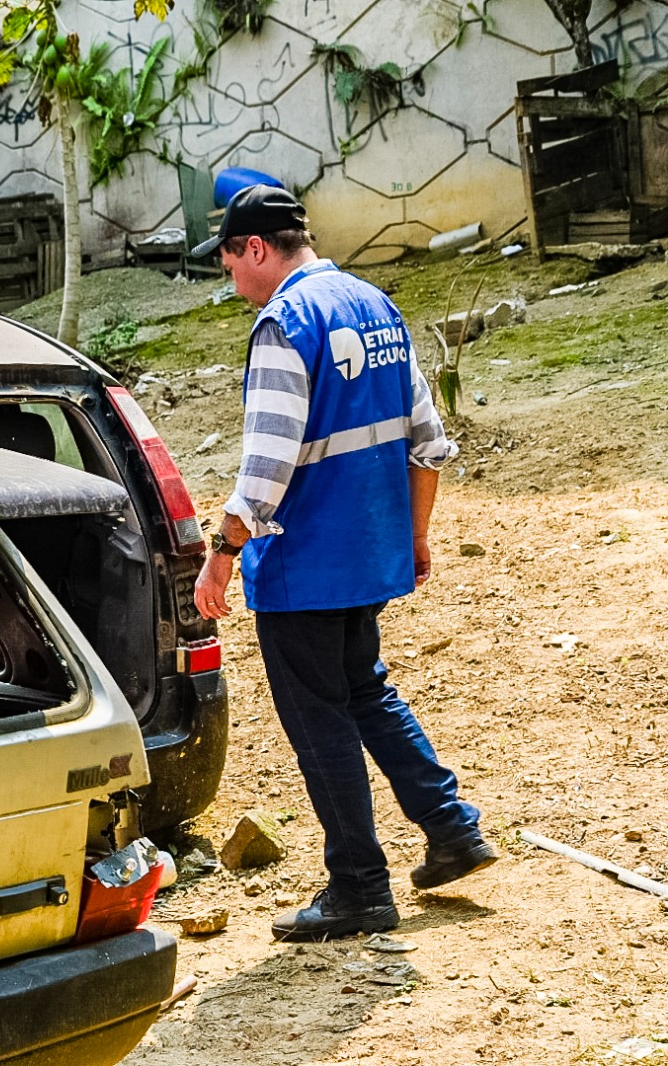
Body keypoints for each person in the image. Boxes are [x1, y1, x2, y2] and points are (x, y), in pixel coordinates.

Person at [190, 185, 497, 941]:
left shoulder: (284, 325)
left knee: (319, 718)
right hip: (369, 549)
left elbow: (264, 467)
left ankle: (358, 886)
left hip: (302, 565)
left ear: (256, 248)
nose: (231, 282)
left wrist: (221, 556)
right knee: (364, 688)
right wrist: (415, 535)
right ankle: (451, 827)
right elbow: (428, 440)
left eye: (230, 262)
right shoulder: (376, 305)